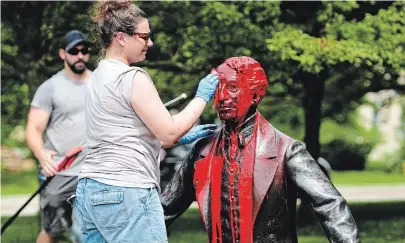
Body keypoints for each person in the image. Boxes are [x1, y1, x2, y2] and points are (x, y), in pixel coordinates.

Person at [160, 56, 360, 243]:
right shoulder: (202, 150)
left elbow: (330, 206)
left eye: (232, 88)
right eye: (217, 89)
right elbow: (164, 209)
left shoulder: (286, 151)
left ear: (255, 95)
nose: (221, 97)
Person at [72, 1, 218, 243]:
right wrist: (201, 98)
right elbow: (169, 132)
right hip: (126, 190)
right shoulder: (132, 77)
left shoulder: (97, 76)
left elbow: (125, 137)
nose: (150, 43)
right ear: (121, 37)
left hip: (91, 191)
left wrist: (183, 135)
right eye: (144, 37)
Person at [25, 30, 91, 243]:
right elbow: (33, 129)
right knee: (52, 231)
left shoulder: (101, 82)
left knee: (94, 232)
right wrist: (43, 156)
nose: (80, 56)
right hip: (61, 172)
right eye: (74, 51)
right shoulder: (50, 87)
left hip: (95, 171)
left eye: (84, 50)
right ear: (63, 54)